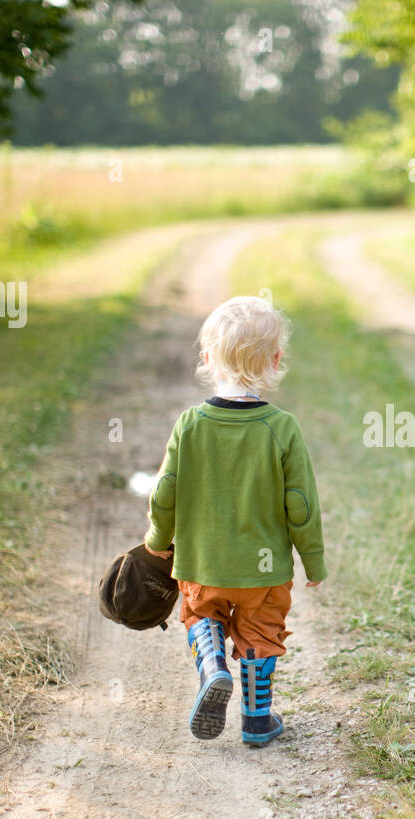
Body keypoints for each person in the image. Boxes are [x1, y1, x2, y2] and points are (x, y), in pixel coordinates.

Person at [143, 295, 327, 747]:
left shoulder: (190, 425)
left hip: (203, 566)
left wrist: (157, 540)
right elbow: (300, 503)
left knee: (202, 614)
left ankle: (212, 666)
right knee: (260, 634)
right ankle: (256, 721)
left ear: (207, 358)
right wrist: (314, 561)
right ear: (276, 360)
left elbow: (165, 491)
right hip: (263, 573)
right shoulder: (282, 427)